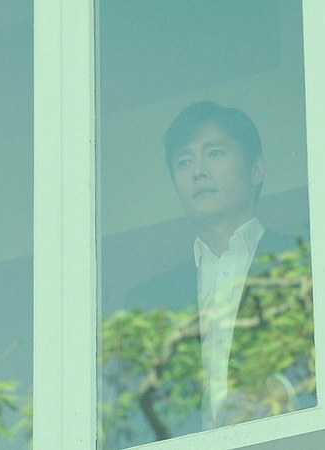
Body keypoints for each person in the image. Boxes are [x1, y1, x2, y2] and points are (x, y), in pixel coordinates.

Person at [125, 101, 315, 437]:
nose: (198, 171)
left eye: (214, 153)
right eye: (184, 162)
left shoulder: (307, 263)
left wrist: (283, 391)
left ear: (256, 170)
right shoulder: (147, 303)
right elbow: (132, 419)